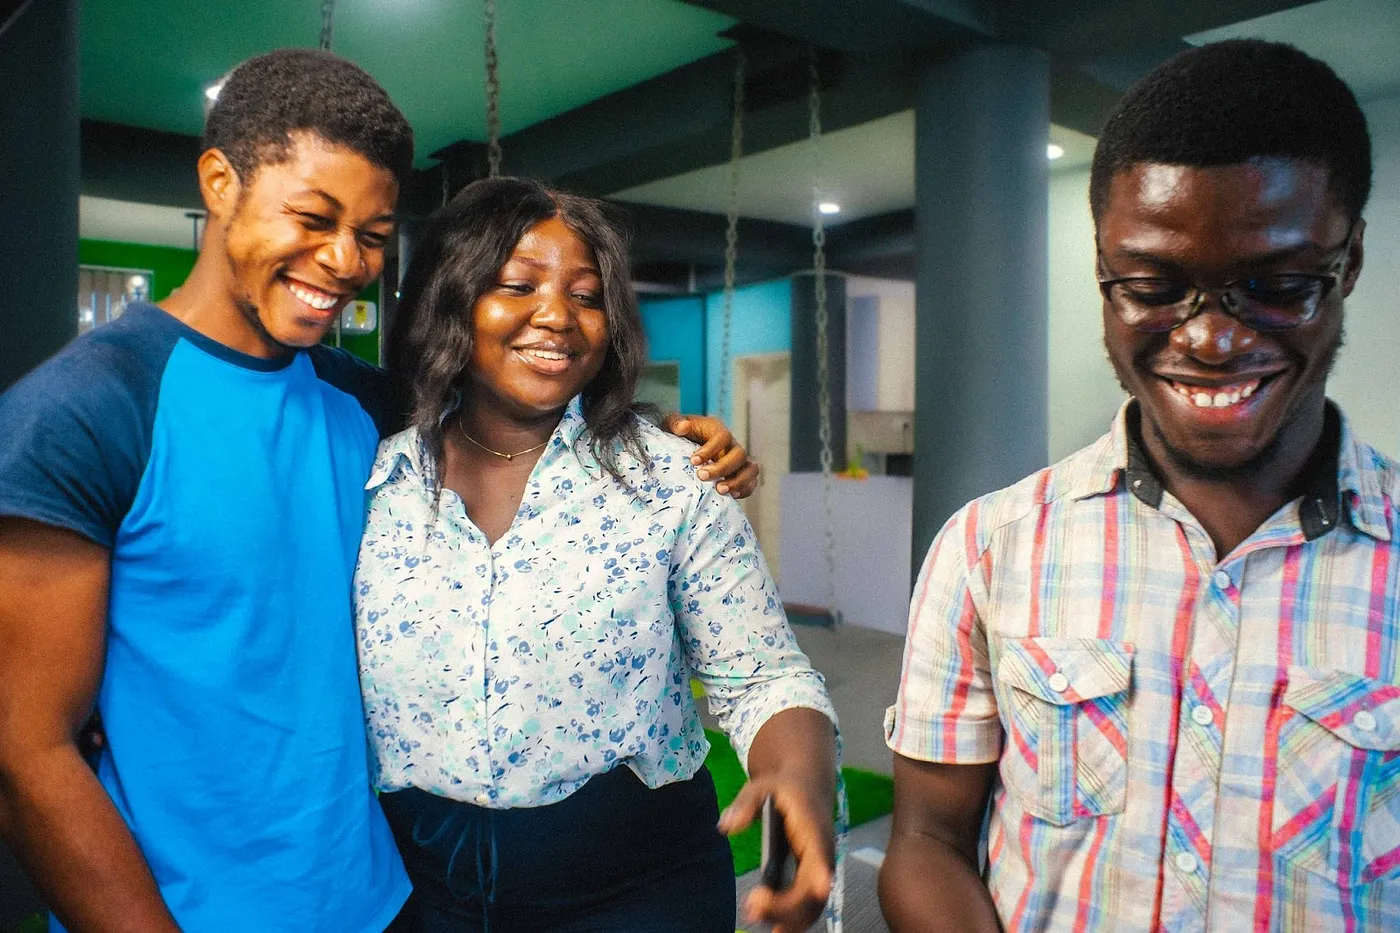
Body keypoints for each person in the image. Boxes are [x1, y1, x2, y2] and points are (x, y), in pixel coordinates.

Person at [0, 49, 755, 932]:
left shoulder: (363, 401)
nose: (343, 260)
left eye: (370, 233)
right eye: (313, 218)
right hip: (192, 910)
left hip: (386, 898)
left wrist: (666, 435)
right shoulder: (86, 411)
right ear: (218, 182)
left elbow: (518, 410)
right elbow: (26, 751)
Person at [880, 39, 1398, 933]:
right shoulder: (990, 546)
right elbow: (927, 838)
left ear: (1346, 264)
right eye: (1154, 286)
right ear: (1103, 270)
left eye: (1276, 285)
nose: (1210, 341)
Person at [357, 175, 840, 933]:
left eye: (587, 296)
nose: (558, 316)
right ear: (451, 301)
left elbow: (764, 676)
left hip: (637, 896)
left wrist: (798, 776)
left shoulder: (675, 476)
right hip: (420, 897)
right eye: (517, 285)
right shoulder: (374, 479)